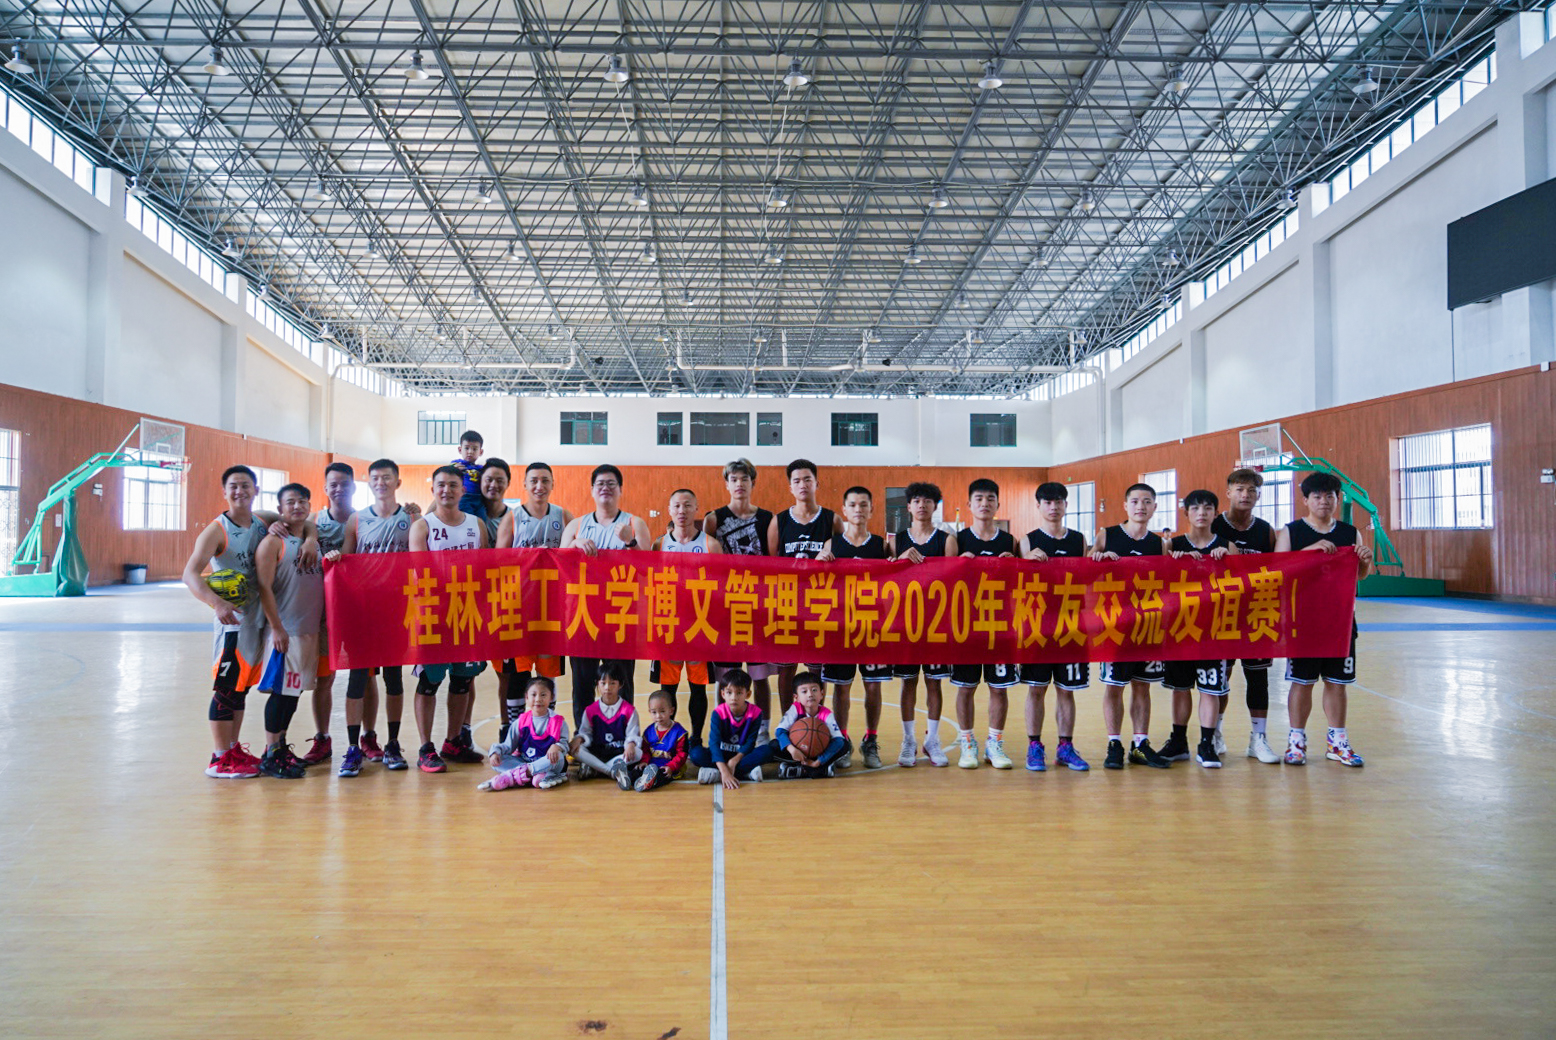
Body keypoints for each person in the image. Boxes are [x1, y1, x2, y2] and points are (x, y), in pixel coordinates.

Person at [181, 465, 315, 779]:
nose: (239, 491)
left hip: (257, 619)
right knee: (226, 688)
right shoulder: (217, 530)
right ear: (224, 492)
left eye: (245, 485)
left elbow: (303, 520)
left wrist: (310, 540)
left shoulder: (262, 520)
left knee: (240, 688)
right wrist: (216, 602)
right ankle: (219, 758)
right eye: (233, 486)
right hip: (233, 623)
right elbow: (189, 574)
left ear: (255, 490)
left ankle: (233, 748)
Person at [1274, 471, 1374, 767]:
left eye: (1329, 496)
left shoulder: (1349, 532)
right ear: (1305, 500)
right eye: (1317, 496)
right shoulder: (1291, 532)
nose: (1324, 501)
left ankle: (1338, 742)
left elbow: (1359, 576)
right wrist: (1308, 552)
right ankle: (1296, 742)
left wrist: (1365, 561)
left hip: (1340, 621)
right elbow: (1277, 572)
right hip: (1303, 621)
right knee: (1301, 682)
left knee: (1337, 682)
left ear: (1337, 499)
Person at [407, 465, 489, 773]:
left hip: (467, 614)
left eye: (453, 485)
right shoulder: (422, 527)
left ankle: (453, 741)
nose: (447, 490)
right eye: (441, 485)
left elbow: (484, 567)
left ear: (463, 490)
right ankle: (425, 747)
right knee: (429, 681)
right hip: (433, 615)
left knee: (462, 680)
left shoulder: (476, 525)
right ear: (433, 490)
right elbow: (421, 572)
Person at [336, 459, 415, 775]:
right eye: (375, 478)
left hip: (395, 611)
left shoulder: (411, 519)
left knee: (394, 679)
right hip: (362, 612)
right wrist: (334, 558)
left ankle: (392, 744)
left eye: (386, 477)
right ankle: (353, 748)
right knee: (357, 678)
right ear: (369, 483)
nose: (380, 483)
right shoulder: (356, 520)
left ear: (397, 482)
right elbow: (345, 560)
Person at [561, 464, 653, 727]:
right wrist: (574, 544)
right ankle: (584, 738)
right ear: (592, 490)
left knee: (620, 682)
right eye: (600, 483)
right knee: (583, 684)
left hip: (620, 617)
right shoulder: (577, 525)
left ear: (620, 489)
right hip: (583, 616)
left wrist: (630, 542)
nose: (606, 488)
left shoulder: (635, 524)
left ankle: (623, 736)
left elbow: (648, 569)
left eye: (611, 483)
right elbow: (559, 565)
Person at [1092, 482, 1172, 770]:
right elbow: (1085, 571)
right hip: (1115, 625)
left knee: (1142, 686)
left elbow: (1168, 583)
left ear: (1154, 507)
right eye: (1135, 501)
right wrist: (1098, 560)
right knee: (1114, 686)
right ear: (1125, 505)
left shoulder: (1159, 544)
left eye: (1147, 501)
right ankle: (1114, 743)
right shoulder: (1107, 535)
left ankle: (1140, 744)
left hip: (1147, 626)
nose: (1141, 506)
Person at [494, 461, 573, 737]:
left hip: (552, 609)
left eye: (545, 480)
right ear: (525, 485)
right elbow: (497, 560)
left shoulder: (564, 516)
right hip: (519, 607)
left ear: (552, 484)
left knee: (548, 673)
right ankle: (516, 732)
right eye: (534, 481)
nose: (540, 486)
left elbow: (575, 558)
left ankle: (547, 729)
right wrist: (528, 557)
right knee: (518, 673)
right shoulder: (513, 518)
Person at [253, 482, 327, 779]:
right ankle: (271, 753)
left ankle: (281, 747)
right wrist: (277, 628)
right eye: (291, 502)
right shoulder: (273, 543)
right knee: (281, 694)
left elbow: (310, 527)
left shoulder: (311, 539)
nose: (297, 506)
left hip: (308, 630)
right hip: (287, 632)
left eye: (302, 501)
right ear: (280, 508)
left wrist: (311, 537)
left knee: (293, 694)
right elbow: (263, 588)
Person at [1017, 482, 1092, 772]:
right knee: (1036, 689)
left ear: (1066, 505)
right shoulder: (1027, 541)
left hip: (1071, 625)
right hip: (1038, 625)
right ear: (1038, 506)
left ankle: (1065, 747)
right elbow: (1016, 582)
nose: (1053, 507)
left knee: (1066, 690)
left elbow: (1088, 578)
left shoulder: (1079, 539)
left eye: (1058, 501)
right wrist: (1024, 562)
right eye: (1047, 502)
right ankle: (1034, 746)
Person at [1162, 489, 1239, 768]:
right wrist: (1174, 561)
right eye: (1195, 508)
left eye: (1207, 508)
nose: (1202, 513)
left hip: (1213, 629)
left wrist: (1227, 562)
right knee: (1180, 688)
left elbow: (1240, 586)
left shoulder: (1227, 546)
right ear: (1186, 513)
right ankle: (1178, 741)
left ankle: (1207, 744)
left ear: (1215, 513)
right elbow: (1159, 584)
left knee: (1210, 688)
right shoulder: (1172, 545)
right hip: (1180, 627)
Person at [816, 486, 891, 769]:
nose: (858, 510)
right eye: (853, 505)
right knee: (841, 688)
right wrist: (818, 563)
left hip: (872, 627)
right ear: (844, 510)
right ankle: (843, 740)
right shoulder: (832, 544)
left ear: (871, 510)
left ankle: (870, 739)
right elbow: (818, 583)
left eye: (863, 505)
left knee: (873, 687)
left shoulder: (881, 546)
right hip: (841, 627)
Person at [1211, 468, 1282, 764]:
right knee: (1219, 678)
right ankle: (1214, 733)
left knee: (1258, 677)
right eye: (1240, 489)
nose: (1245, 495)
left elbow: (1281, 569)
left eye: (1251, 490)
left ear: (1258, 496)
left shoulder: (1265, 530)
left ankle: (1258, 739)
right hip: (1221, 614)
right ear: (1228, 492)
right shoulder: (1213, 525)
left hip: (1256, 613)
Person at [704, 458, 778, 732]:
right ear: (726, 484)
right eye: (733, 479)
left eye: (744, 479)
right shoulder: (714, 519)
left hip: (758, 607)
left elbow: (775, 561)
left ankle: (763, 730)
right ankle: (721, 727)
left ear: (753, 482)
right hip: (726, 607)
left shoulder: (768, 518)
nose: (739, 484)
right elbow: (706, 564)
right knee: (725, 677)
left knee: (760, 676)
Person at [951, 478, 1020, 770]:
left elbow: (1023, 583)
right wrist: (958, 564)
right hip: (967, 625)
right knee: (966, 687)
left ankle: (995, 743)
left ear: (998, 504)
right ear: (969, 504)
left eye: (990, 498)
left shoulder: (1010, 542)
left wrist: (1015, 564)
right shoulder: (957, 540)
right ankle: (967, 742)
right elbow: (943, 581)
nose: (984, 503)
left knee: (999, 688)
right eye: (979, 498)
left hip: (1000, 624)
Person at [766, 459, 843, 714]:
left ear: (817, 483)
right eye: (797, 480)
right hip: (788, 603)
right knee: (786, 668)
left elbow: (843, 563)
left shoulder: (832, 520)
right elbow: (771, 565)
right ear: (790, 487)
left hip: (820, 604)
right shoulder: (779, 521)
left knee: (816, 668)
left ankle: (815, 719)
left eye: (807, 479)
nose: (802, 485)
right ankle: (788, 719)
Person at [652, 488, 723, 743]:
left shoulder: (710, 544)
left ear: (696, 509)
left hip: (698, 625)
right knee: (667, 688)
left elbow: (721, 586)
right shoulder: (659, 544)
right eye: (677, 506)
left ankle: (696, 739)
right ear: (670, 510)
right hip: (668, 625)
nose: (682, 511)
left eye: (687, 505)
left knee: (698, 687)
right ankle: (669, 737)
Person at [890, 481, 953, 767]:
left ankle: (933, 740)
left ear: (935, 506)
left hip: (936, 623)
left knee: (934, 683)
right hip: (905, 623)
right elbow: (885, 578)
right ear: (909, 506)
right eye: (916, 500)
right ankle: (909, 740)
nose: (922, 505)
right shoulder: (896, 540)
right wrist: (897, 561)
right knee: (908, 683)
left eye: (927, 501)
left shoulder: (946, 540)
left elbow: (956, 578)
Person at [299, 461, 355, 767]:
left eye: (344, 483)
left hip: (356, 610)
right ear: (325, 488)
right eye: (333, 484)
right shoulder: (313, 522)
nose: (339, 489)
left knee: (364, 678)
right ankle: (322, 738)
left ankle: (367, 737)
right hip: (322, 613)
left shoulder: (363, 520)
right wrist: (280, 526)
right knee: (324, 679)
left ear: (353, 487)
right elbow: (274, 518)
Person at [479, 676, 570, 791]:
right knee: (498, 760)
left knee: (559, 756)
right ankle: (535, 774)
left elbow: (565, 745)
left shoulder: (558, 722)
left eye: (543, 695)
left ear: (551, 697)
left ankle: (514, 776)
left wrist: (557, 746)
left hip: (548, 763)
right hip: (525, 762)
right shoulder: (520, 722)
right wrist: (495, 752)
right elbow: (508, 746)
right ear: (526, 697)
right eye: (533, 695)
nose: (538, 699)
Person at [689, 669, 771, 788]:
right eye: (729, 692)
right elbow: (714, 743)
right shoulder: (718, 713)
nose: (733, 697)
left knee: (767, 751)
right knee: (696, 753)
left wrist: (734, 761)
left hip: (741, 756)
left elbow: (750, 743)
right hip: (721, 754)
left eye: (739, 693)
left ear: (748, 694)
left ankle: (716, 773)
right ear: (723, 694)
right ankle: (744, 773)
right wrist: (724, 769)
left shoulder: (756, 713)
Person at [569, 663, 641, 786]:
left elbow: (632, 734)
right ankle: (611, 771)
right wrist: (579, 738)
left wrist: (630, 744)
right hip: (597, 752)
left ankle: (595, 769)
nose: (607, 687)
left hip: (618, 753)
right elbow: (586, 733)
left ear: (620, 685)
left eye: (612, 683)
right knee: (575, 750)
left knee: (638, 752)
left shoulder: (629, 710)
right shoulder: (590, 710)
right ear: (597, 684)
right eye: (603, 683)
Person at [770, 671, 849, 779]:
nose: (810, 694)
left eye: (814, 690)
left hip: (818, 752)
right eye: (804, 691)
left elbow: (838, 740)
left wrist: (819, 761)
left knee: (845, 745)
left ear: (822, 694)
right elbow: (780, 731)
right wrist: (792, 749)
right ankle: (820, 770)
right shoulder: (795, 709)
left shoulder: (826, 714)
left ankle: (798, 769)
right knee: (773, 745)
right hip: (797, 751)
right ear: (796, 697)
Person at [627, 691, 690, 792]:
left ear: (671, 711)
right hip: (651, 766)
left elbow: (682, 754)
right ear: (649, 712)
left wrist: (671, 767)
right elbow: (646, 750)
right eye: (654, 712)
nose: (658, 716)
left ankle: (649, 782)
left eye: (662, 711)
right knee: (636, 770)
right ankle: (627, 779)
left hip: (668, 768)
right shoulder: (648, 731)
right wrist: (644, 761)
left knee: (662, 776)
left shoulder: (680, 733)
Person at [451, 429, 486, 521]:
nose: (470, 452)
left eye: (474, 449)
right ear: (460, 449)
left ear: (481, 452)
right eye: (466, 448)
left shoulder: (481, 469)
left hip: (479, 499)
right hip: (464, 497)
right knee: (467, 521)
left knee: (482, 521)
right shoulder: (456, 464)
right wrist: (453, 470)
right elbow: (446, 473)